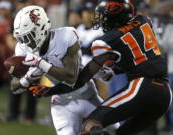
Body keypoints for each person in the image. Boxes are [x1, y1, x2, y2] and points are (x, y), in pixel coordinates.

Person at [33, 0, 172, 135]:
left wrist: (52, 90)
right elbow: (136, 60)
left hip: (142, 86)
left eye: (103, 17)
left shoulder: (105, 41)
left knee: (90, 123)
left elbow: (82, 79)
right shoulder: (144, 21)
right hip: (165, 93)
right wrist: (114, 69)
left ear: (112, 17)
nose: (100, 21)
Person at [10, 5, 117, 135]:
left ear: (41, 27)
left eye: (28, 36)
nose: (25, 43)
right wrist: (27, 78)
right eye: (22, 38)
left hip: (87, 95)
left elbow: (71, 78)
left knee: (116, 130)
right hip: (62, 103)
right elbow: (15, 87)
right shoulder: (22, 48)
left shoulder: (66, 36)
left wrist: (41, 63)